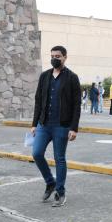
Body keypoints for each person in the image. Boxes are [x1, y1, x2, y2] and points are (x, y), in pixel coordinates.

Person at [31, 45, 81, 207]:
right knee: (37, 153)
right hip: (44, 124)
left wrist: (74, 128)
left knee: (59, 158)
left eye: (58, 56)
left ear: (65, 57)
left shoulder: (72, 77)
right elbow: (38, 101)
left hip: (62, 125)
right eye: (52, 56)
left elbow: (77, 105)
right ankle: (50, 182)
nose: (54, 59)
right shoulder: (44, 76)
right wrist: (34, 124)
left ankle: (60, 191)